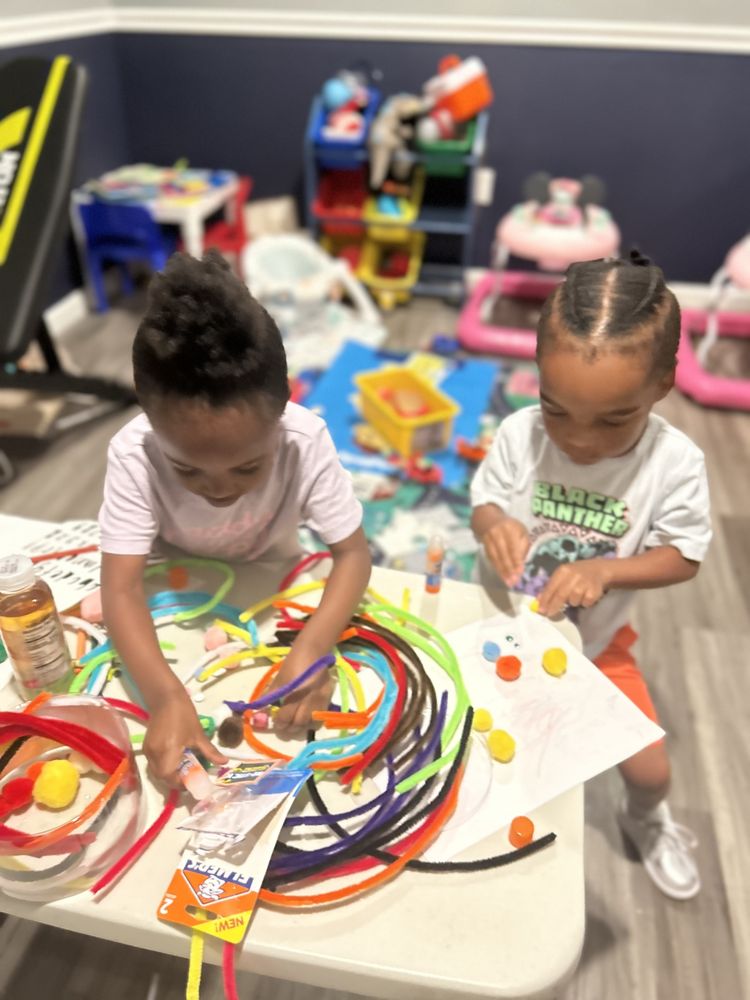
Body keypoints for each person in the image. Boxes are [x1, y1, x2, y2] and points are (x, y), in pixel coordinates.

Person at [470, 253, 711, 900]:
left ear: (663, 384)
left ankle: (646, 822)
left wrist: (607, 569)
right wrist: (493, 524)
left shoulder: (675, 463)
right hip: (498, 634)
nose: (578, 441)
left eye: (613, 419)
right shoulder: (521, 434)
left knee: (652, 772)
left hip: (595, 649)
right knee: (482, 763)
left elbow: (685, 555)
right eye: (557, 408)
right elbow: (484, 501)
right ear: (538, 376)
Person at [99, 251, 371, 783]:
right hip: (175, 598)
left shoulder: (304, 440)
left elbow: (353, 554)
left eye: (248, 467)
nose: (219, 488)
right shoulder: (133, 453)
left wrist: (314, 647)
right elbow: (121, 590)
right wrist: (166, 697)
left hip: (273, 582)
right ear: (148, 416)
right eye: (188, 470)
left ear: (281, 412)